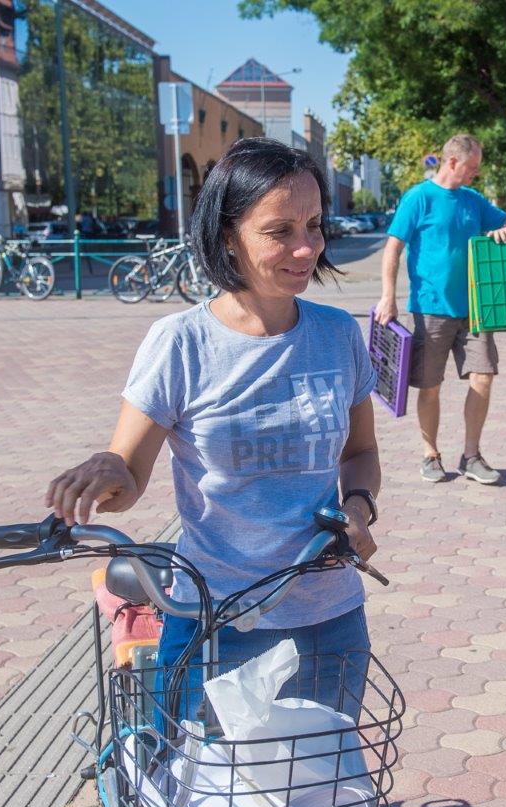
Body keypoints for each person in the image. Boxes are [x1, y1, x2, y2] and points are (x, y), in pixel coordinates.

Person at [45, 137, 381, 711]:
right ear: (228, 234)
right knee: (205, 794)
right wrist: (107, 468)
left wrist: (356, 508)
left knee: (324, 788)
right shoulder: (181, 343)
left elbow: (360, 452)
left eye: (315, 226)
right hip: (216, 616)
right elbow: (127, 477)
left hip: (330, 616)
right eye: (281, 231)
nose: (306, 248)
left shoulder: (337, 334)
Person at [374, 133, 506, 485]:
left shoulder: (473, 200)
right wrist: (387, 297)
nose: (475, 175)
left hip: (475, 310)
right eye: (472, 168)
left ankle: (471, 455)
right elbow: (392, 249)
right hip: (429, 310)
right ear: (453, 162)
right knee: (430, 386)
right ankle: (430, 454)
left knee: (484, 377)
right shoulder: (418, 198)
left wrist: (504, 231)